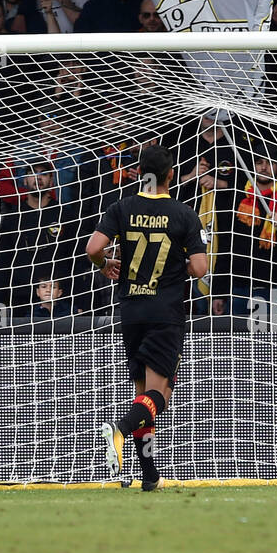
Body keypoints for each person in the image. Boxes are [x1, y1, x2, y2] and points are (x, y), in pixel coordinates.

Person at [86, 146, 209, 490]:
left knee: (144, 398)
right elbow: (200, 268)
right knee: (160, 395)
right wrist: (178, 266)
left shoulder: (121, 208)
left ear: (140, 173)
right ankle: (119, 429)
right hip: (164, 312)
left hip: (131, 311)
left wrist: (105, 265)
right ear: (171, 175)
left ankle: (149, 475)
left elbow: (94, 248)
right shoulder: (183, 214)